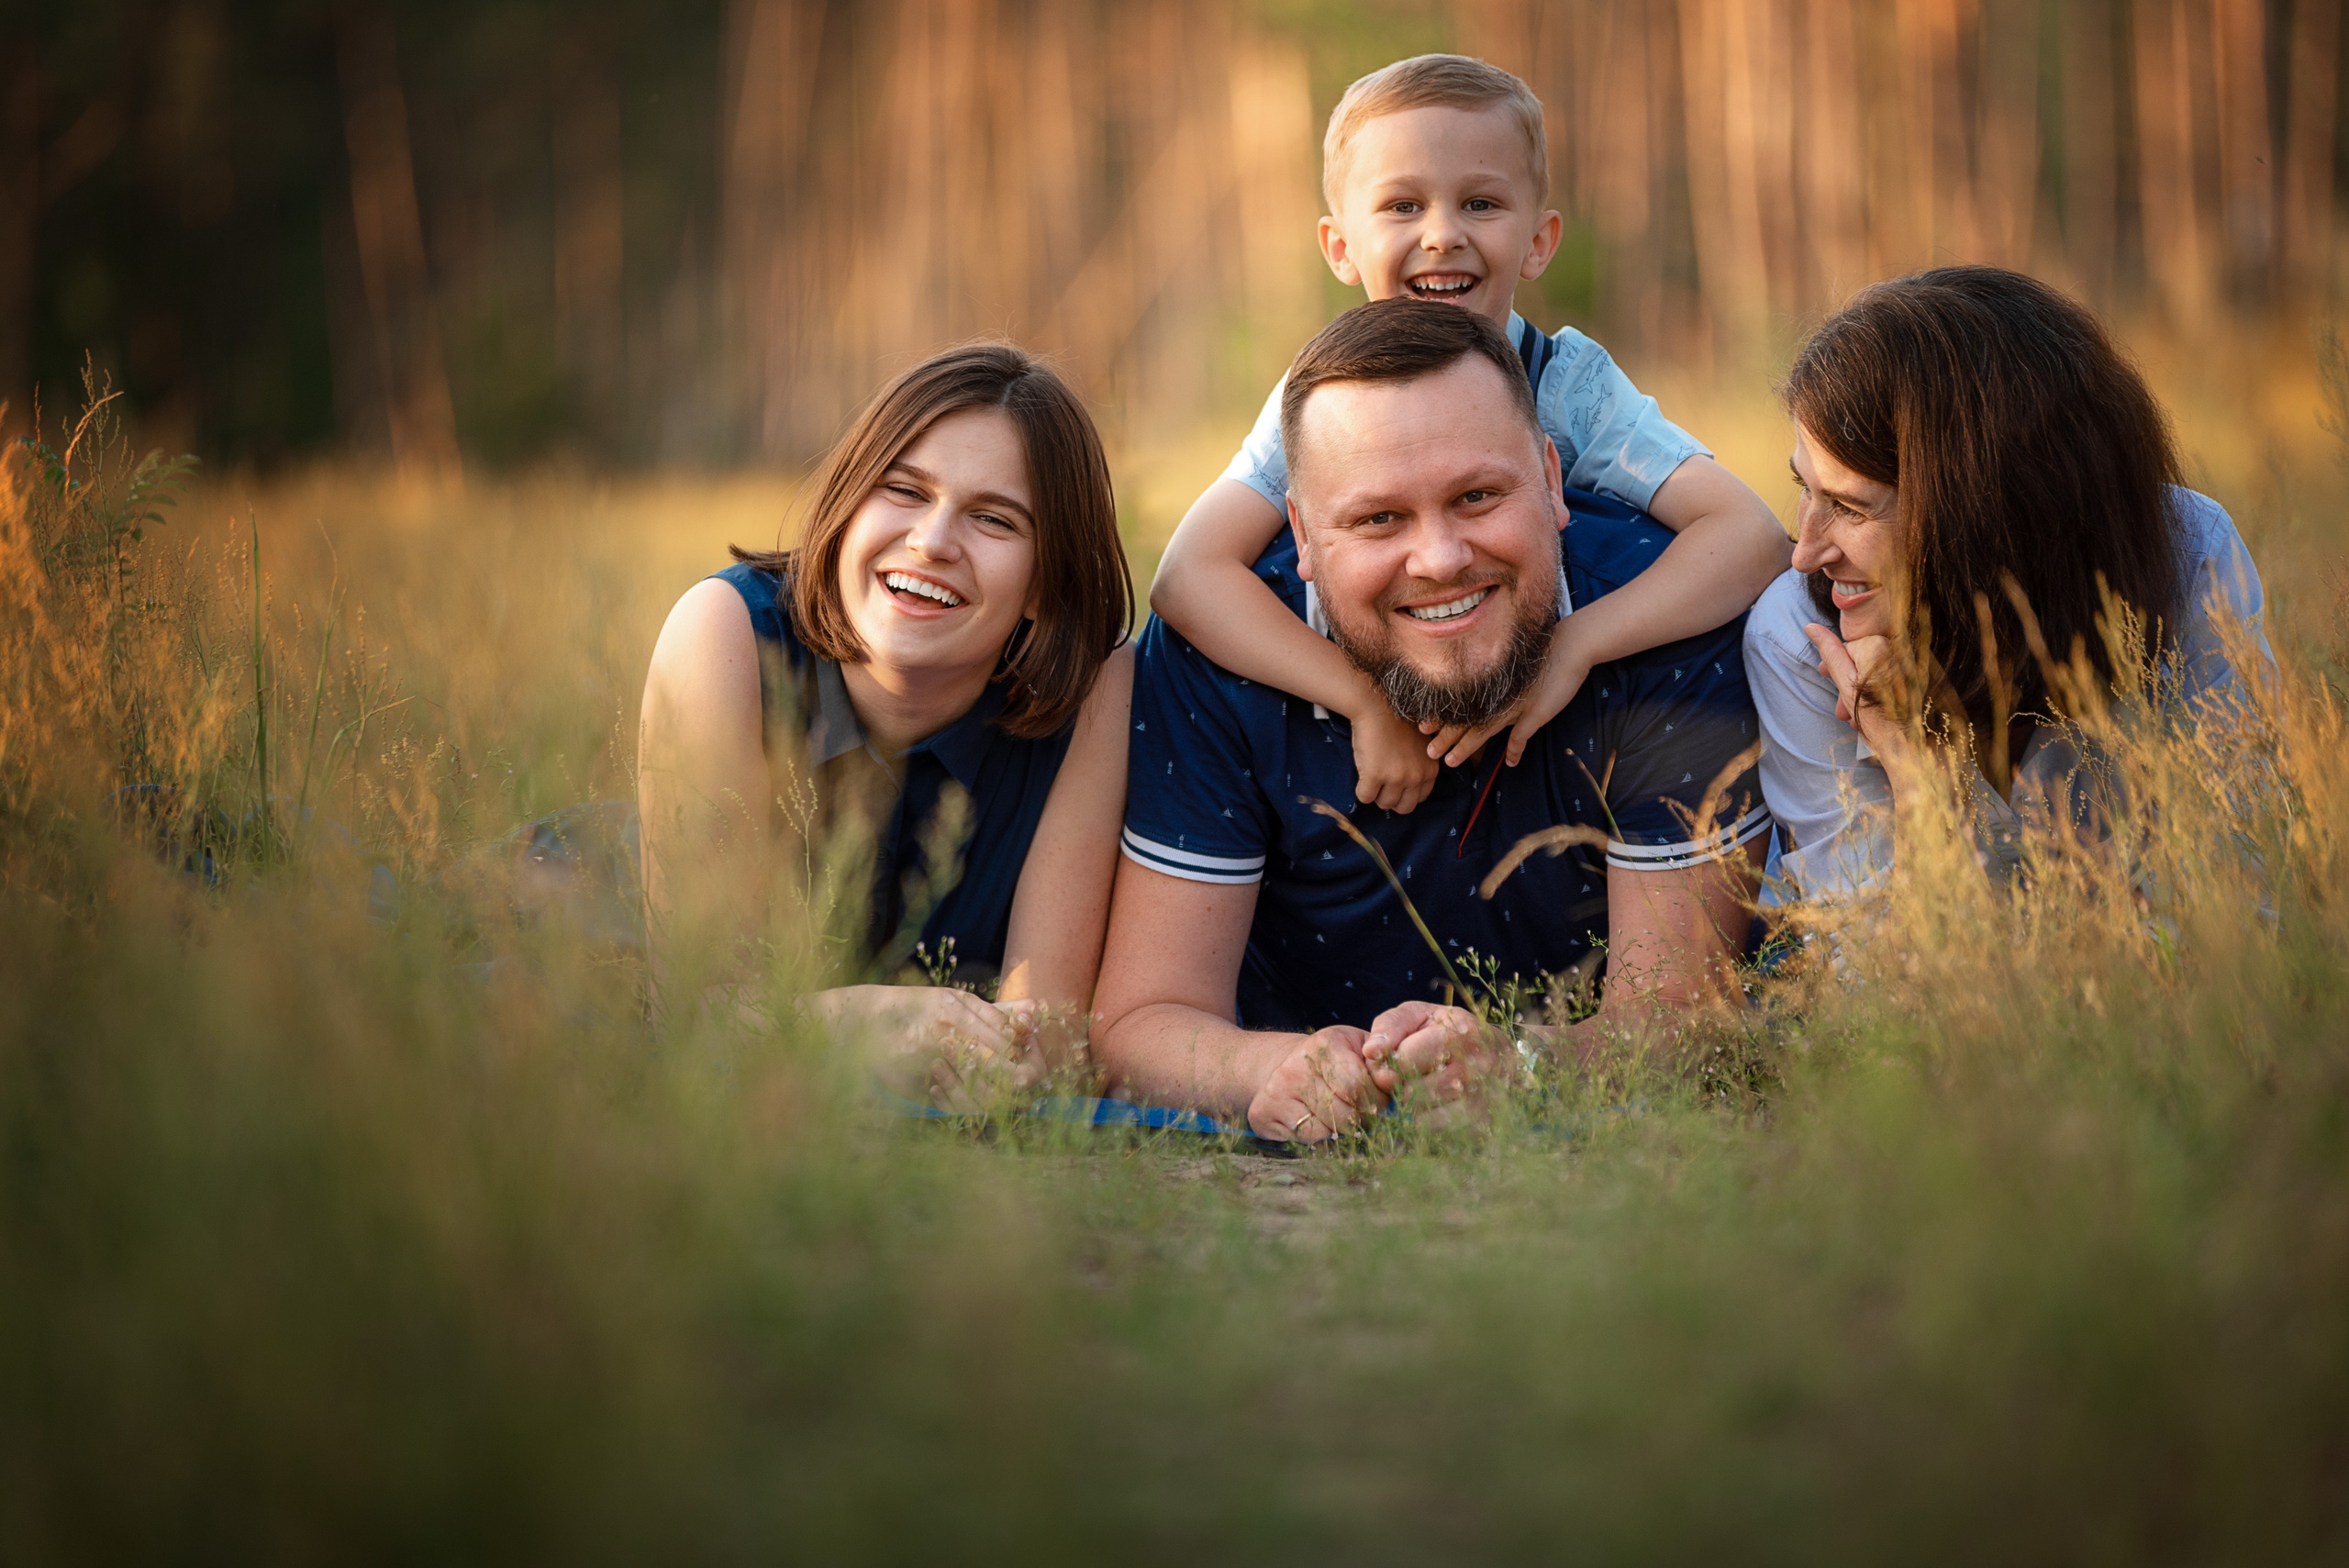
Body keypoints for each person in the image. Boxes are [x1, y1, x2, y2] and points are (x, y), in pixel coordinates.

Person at [1092, 299, 1772, 1143]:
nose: (1441, 558)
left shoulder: (1668, 620)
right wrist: (1267, 1067)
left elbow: (1686, 1018)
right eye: (1378, 518)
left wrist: (1520, 1066)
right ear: (1300, 533)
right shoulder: (1217, 654)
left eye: (1477, 496)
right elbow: (1141, 1021)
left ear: (1552, 480)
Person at [1148, 53, 1790, 816]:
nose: (1442, 234)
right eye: (1402, 206)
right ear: (1340, 247)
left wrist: (1578, 644)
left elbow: (1749, 534)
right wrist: (1361, 699)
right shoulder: (1324, 402)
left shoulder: (1569, 385)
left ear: (1539, 240)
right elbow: (1188, 574)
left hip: (1566, 742)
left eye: (1480, 203)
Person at [637, 343, 1135, 1097]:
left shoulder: (1098, 689)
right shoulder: (724, 632)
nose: (932, 542)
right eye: (904, 490)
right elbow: (693, 1011)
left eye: (994, 519)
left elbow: (1049, 1037)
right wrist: (874, 1020)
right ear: (847, 504)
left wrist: (986, 1053)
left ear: (1046, 582)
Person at [1745, 265, 2273, 899]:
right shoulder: (1799, 640)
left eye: (1851, 508)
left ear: (1989, 511)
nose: (1803, 554)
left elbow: (2242, 900)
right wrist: (1917, 774)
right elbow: (1876, 957)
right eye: (1804, 487)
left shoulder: (2189, 553)